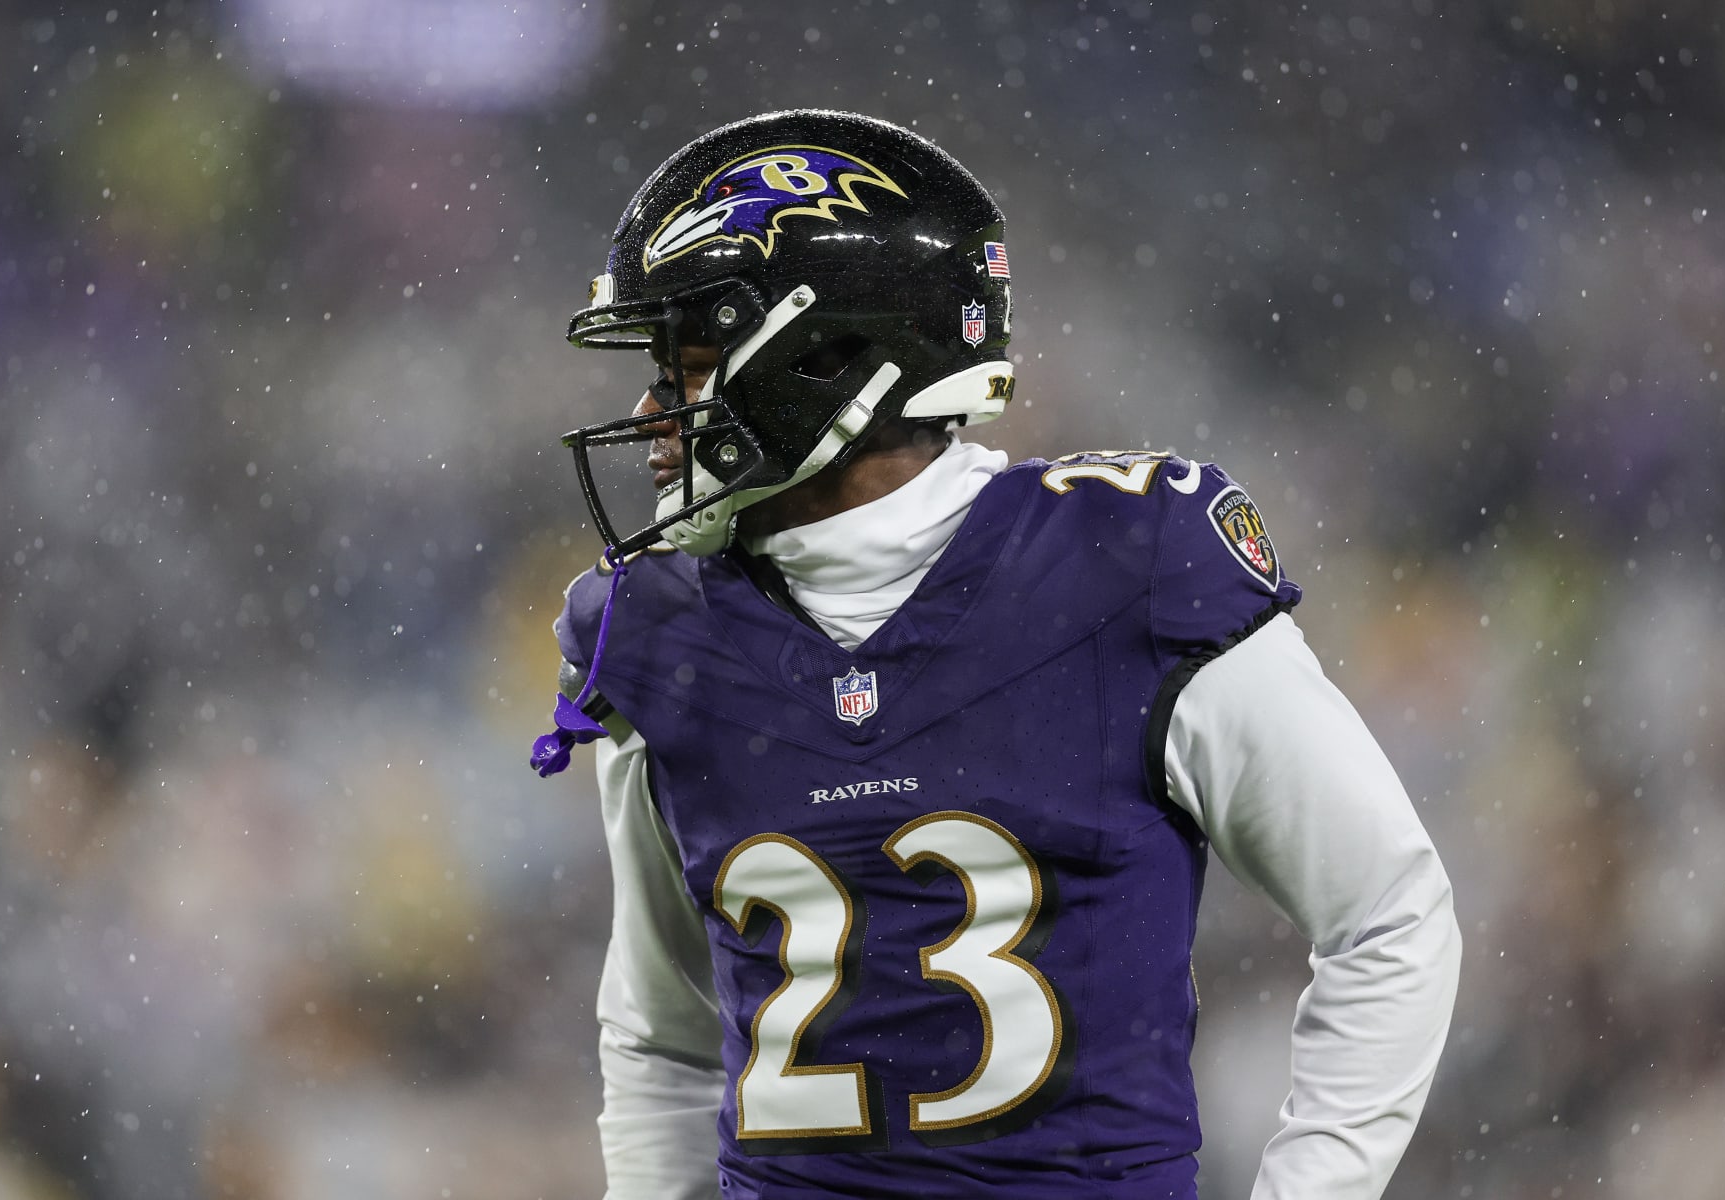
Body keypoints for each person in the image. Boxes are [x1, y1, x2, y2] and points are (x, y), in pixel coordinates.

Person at [533, 109, 1460, 1200]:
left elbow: (1387, 913)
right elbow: (664, 1039)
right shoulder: (658, 632)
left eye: (688, 368)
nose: (650, 413)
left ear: (828, 361)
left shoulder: (1129, 563)